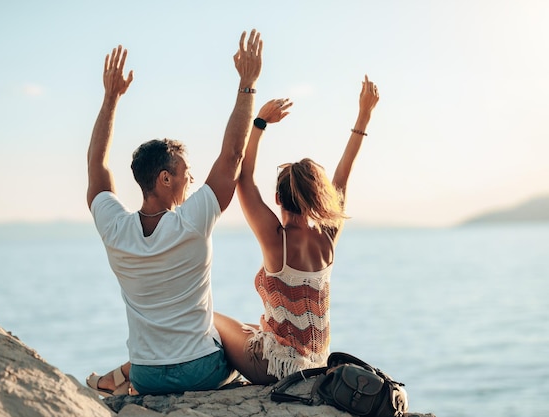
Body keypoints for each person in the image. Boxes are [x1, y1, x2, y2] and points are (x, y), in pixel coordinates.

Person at [85, 29, 263, 396]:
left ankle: (118, 380)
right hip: (201, 370)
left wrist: (110, 99)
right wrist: (248, 84)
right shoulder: (191, 222)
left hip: (147, 376)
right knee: (236, 330)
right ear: (165, 178)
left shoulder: (114, 228)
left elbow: (95, 164)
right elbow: (232, 156)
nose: (191, 179)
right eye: (185, 173)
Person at [213, 75, 380, 384]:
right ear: (318, 198)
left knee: (206, 316)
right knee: (250, 327)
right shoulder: (328, 237)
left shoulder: (278, 242)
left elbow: (244, 179)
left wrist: (260, 122)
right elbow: (343, 175)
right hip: (318, 364)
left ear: (277, 199)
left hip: (278, 369)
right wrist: (364, 115)